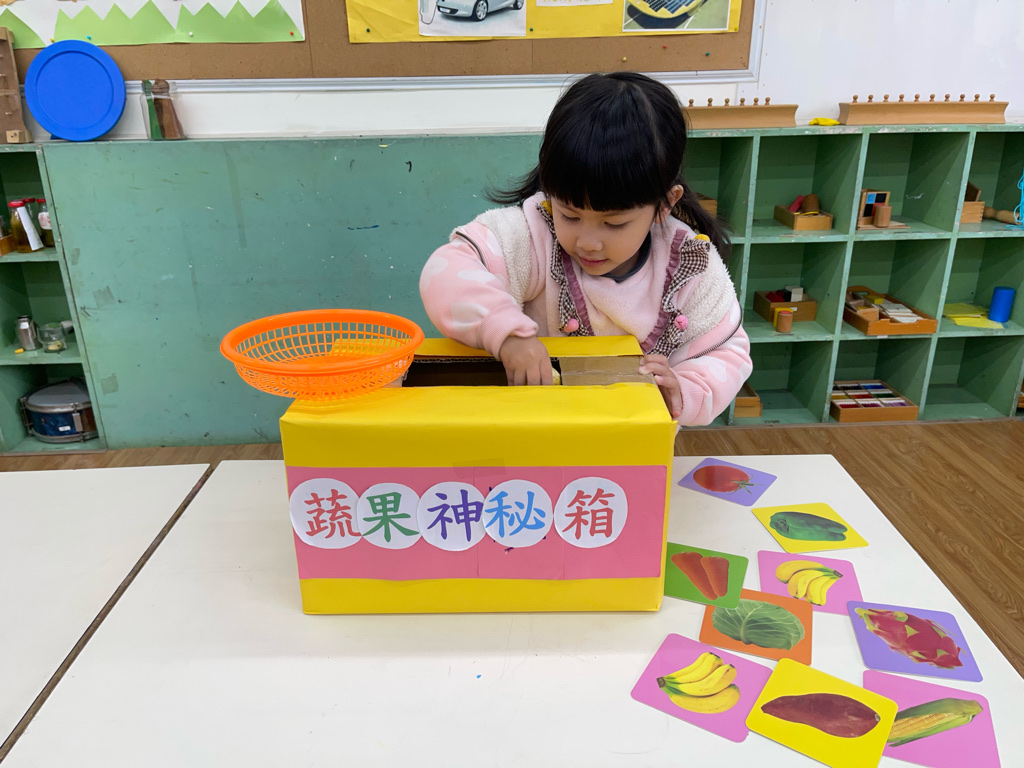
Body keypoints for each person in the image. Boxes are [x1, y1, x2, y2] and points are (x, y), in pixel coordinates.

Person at [419, 71, 752, 425]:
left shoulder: (690, 266)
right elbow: (446, 271)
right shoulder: (533, 234)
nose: (588, 243)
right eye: (570, 215)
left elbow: (728, 352)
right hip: (534, 433)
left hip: (633, 444)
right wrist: (507, 335)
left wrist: (684, 389)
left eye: (614, 224)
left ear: (666, 204)